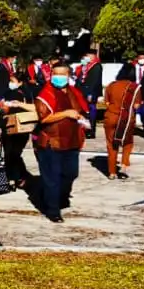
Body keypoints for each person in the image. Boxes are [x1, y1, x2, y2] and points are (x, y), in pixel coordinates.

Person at [32, 61, 87, 223]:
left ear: (68, 76)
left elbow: (80, 109)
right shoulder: (45, 94)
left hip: (71, 140)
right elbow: (44, 118)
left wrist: (81, 118)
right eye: (55, 74)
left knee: (71, 173)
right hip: (51, 142)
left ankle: (57, 198)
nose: (58, 77)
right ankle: (52, 210)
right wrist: (65, 113)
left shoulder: (74, 92)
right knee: (52, 178)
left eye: (62, 74)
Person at [101, 75, 142, 180]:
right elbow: (136, 105)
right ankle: (123, 167)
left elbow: (106, 102)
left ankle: (112, 172)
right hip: (126, 119)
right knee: (127, 143)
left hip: (111, 116)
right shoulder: (134, 87)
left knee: (111, 144)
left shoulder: (111, 85)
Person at [76, 51, 103, 139]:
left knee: (91, 112)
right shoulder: (85, 66)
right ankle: (84, 129)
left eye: (88, 55)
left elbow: (94, 81)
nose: (86, 57)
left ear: (93, 56)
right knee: (83, 112)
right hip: (82, 92)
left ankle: (91, 131)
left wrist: (90, 93)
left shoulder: (96, 66)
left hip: (90, 93)